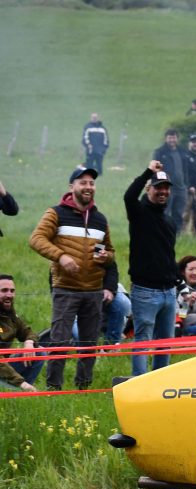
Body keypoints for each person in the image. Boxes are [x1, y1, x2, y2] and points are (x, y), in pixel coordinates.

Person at [29, 166, 115, 390]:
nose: (88, 187)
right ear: (72, 187)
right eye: (83, 182)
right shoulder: (56, 213)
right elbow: (36, 239)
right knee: (59, 341)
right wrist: (61, 256)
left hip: (94, 290)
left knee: (89, 344)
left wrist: (106, 256)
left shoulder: (99, 219)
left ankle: (83, 388)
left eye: (91, 183)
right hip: (66, 288)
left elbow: (110, 251)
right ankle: (53, 389)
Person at [124, 161, 178, 375]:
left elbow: (167, 254)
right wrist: (148, 171)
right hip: (145, 291)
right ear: (149, 189)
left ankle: (159, 382)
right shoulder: (139, 213)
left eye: (166, 188)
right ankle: (139, 383)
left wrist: (176, 277)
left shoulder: (169, 221)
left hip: (169, 292)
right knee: (143, 341)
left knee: (165, 343)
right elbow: (128, 196)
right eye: (158, 187)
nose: (163, 192)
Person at [0, 274, 43, 392]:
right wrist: (21, 383)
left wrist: (29, 342)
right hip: (2, 367)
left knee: (39, 351)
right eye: (4, 290)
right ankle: (22, 389)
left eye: (12, 291)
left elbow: (28, 332)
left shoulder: (10, 315)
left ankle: (23, 393)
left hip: (4, 366)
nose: (9, 294)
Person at [152, 129, 189, 235]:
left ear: (177, 138)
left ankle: (176, 235)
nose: (172, 140)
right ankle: (162, 234)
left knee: (178, 214)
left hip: (181, 188)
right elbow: (156, 170)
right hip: (166, 188)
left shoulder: (182, 151)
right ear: (165, 138)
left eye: (174, 137)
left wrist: (186, 184)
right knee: (165, 212)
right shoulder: (159, 152)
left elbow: (185, 169)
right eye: (170, 137)